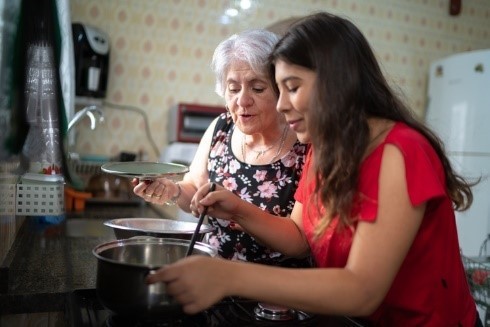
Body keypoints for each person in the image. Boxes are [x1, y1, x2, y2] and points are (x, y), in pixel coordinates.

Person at [145, 12, 482, 326]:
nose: (280, 104)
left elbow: (361, 290)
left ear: (336, 82)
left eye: (291, 87)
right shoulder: (325, 149)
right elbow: (298, 238)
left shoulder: (401, 151)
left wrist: (227, 276)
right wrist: (237, 208)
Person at [133, 29, 311, 267]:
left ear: (280, 89)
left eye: (257, 89)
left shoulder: (304, 142)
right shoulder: (221, 128)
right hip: (214, 279)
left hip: (275, 292)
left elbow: (300, 243)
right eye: (233, 89)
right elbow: (195, 189)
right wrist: (172, 190)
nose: (242, 101)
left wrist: (239, 210)